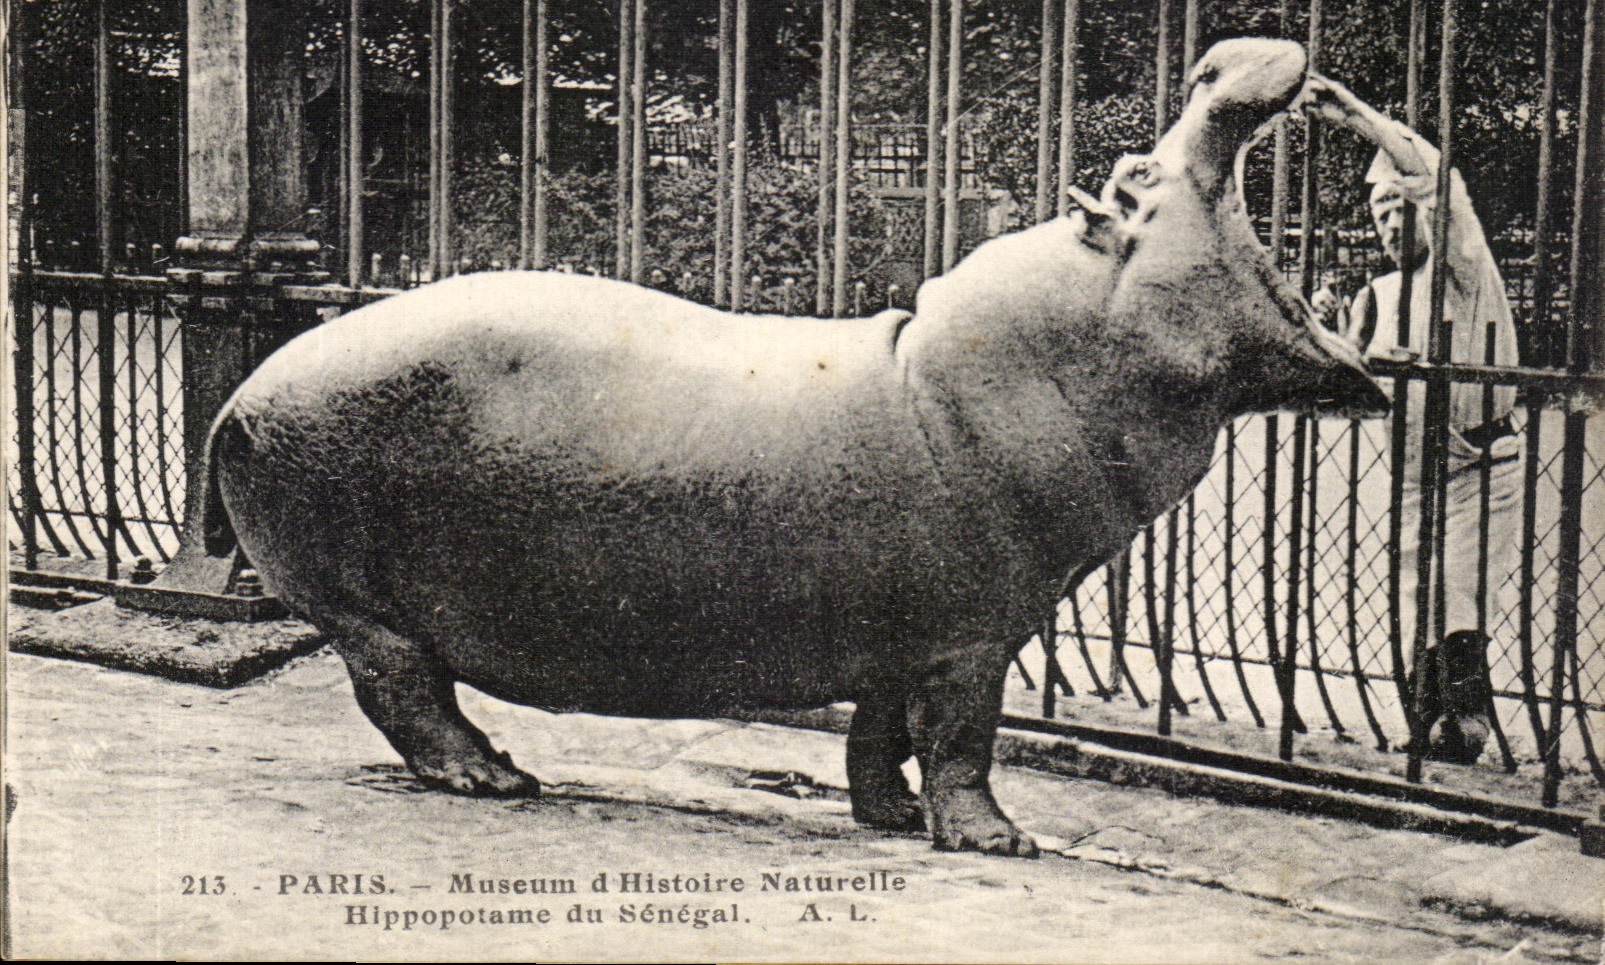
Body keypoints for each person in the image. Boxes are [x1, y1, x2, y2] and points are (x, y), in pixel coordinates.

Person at [1302, 73, 1523, 766]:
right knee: (1412, 595)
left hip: (1477, 461)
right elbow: (1342, 384)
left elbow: (1440, 183)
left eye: (1402, 208)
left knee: (1459, 585)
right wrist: (1342, 343)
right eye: (1380, 214)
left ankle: (1466, 722)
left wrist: (1359, 120)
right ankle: (1425, 725)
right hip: (1410, 470)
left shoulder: (1466, 268)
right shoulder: (1379, 292)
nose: (1393, 223)